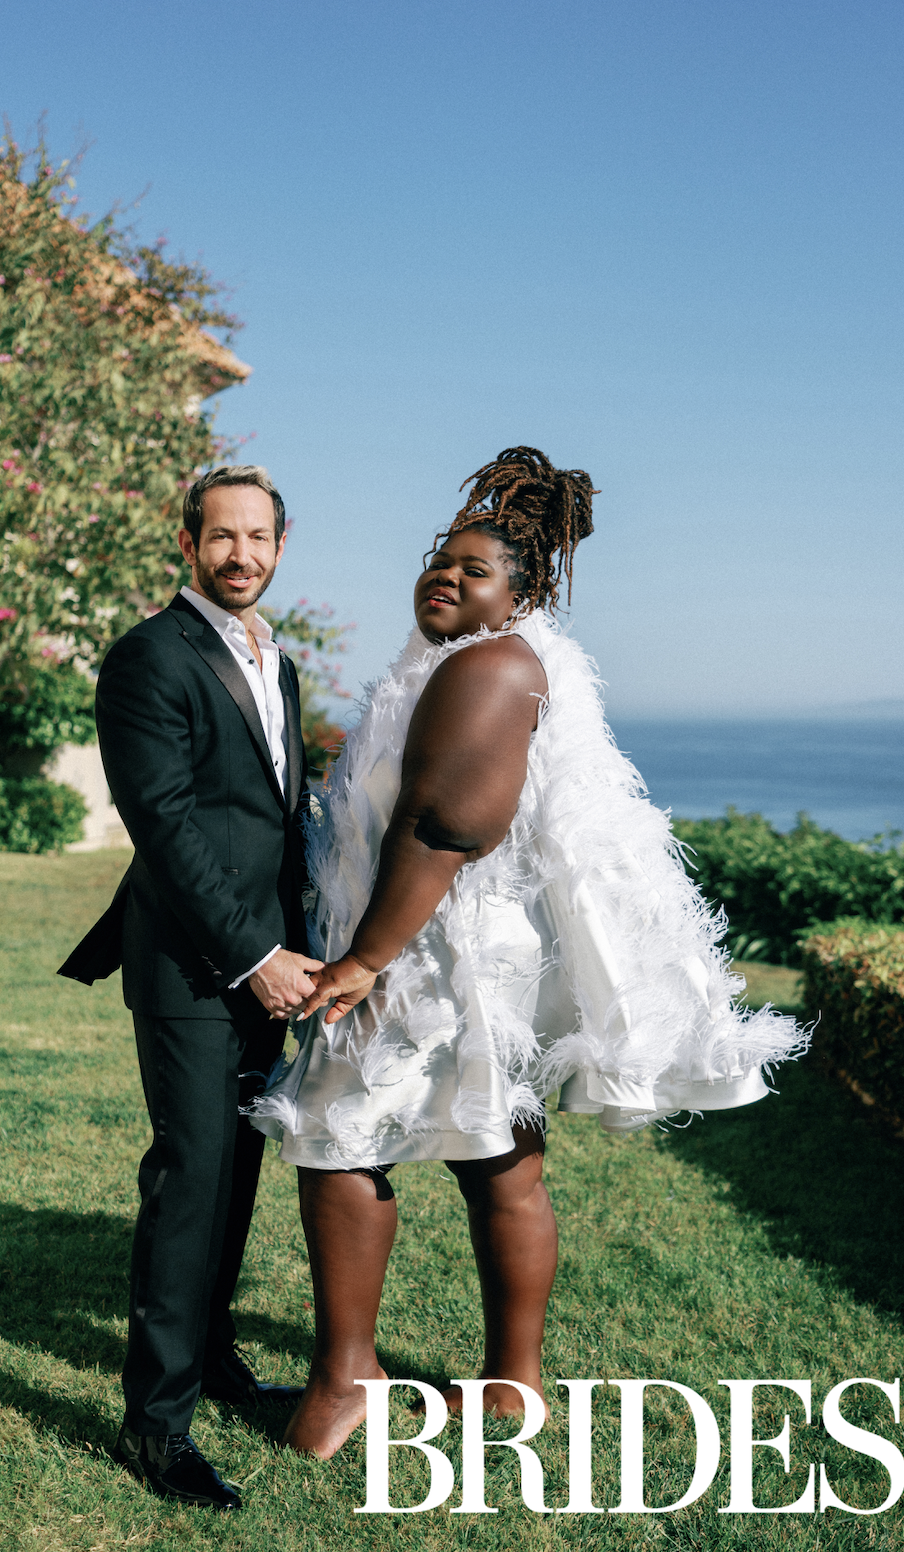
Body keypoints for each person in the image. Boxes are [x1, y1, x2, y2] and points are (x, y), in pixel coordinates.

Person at [251, 445, 805, 1459]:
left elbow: (444, 824)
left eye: (475, 570)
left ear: (523, 594)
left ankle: (348, 1380)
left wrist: (364, 958)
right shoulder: (452, 665)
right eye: (439, 558)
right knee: (499, 1156)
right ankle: (513, 1387)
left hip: (429, 959)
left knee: (336, 1136)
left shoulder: (492, 666)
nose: (446, 575)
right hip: (465, 952)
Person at [59, 465, 322, 1510]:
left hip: (274, 969)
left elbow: (270, 816)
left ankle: (213, 1357)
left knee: (239, 1172)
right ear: (187, 542)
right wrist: (257, 960)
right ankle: (156, 1426)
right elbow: (164, 824)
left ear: (280, 545)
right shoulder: (147, 659)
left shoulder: (278, 661)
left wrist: (308, 949)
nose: (241, 555)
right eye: (222, 537)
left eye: (258, 538)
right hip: (189, 967)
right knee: (190, 1176)